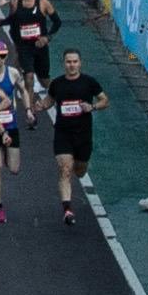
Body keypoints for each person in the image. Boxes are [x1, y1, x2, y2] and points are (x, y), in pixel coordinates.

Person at [47, 50, 105, 219]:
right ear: (64, 63)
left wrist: (93, 107)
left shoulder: (89, 82)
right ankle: (67, 209)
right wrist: (38, 106)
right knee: (65, 169)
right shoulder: (57, 83)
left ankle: (79, 167)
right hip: (63, 133)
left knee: (79, 171)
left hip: (83, 135)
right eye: (68, 62)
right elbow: (49, 100)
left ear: (80, 63)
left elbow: (104, 100)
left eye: (74, 61)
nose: (71, 65)